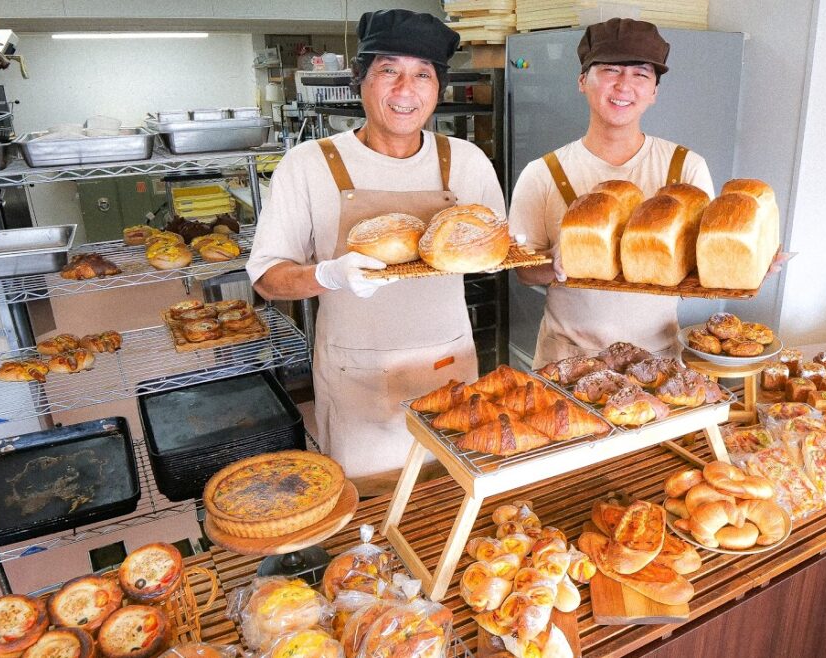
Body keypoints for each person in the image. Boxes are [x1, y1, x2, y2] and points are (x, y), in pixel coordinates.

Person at [247, 9, 505, 496]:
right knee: (368, 516)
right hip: (356, 378)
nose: (405, 91)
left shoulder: (466, 162)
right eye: (389, 71)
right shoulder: (309, 165)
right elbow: (266, 277)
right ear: (360, 80)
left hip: (450, 369)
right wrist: (328, 275)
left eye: (422, 75)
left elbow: (499, 246)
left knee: (454, 494)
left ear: (438, 88)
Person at [508, 18, 714, 368]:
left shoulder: (686, 169)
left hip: (658, 361)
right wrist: (555, 266)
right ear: (582, 81)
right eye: (610, 70)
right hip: (566, 360)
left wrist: (744, 270)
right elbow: (523, 271)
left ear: (654, 92)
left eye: (640, 75)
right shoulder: (543, 173)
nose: (624, 85)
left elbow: (701, 266)